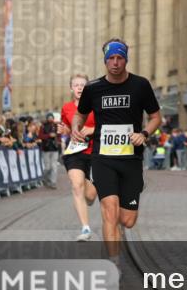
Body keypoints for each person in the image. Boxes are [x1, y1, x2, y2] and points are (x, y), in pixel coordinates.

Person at [71, 39, 161, 263]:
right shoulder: (93, 88)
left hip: (131, 159)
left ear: (126, 59)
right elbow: (80, 114)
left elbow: (156, 117)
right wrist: (75, 128)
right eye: (111, 58)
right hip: (103, 157)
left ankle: (132, 189)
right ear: (105, 60)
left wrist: (145, 134)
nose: (115, 62)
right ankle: (114, 263)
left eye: (119, 58)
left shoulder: (140, 85)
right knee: (109, 212)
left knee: (127, 220)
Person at [60, 73, 99, 241]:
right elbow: (67, 129)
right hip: (75, 152)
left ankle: (88, 194)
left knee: (90, 195)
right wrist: (65, 131)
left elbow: (106, 126)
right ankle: (85, 228)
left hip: (95, 151)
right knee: (77, 186)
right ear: (71, 88)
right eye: (76, 85)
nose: (79, 87)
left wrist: (92, 130)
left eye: (83, 85)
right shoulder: (66, 108)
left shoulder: (96, 106)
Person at [38, 113, 61, 189]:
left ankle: (53, 182)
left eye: (52, 117)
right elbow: (40, 136)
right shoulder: (43, 126)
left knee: (54, 166)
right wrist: (48, 135)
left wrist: (58, 140)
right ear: (47, 118)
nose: (50, 119)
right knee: (47, 167)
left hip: (54, 149)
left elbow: (59, 136)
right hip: (46, 149)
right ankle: (45, 178)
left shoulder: (56, 126)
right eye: (49, 117)